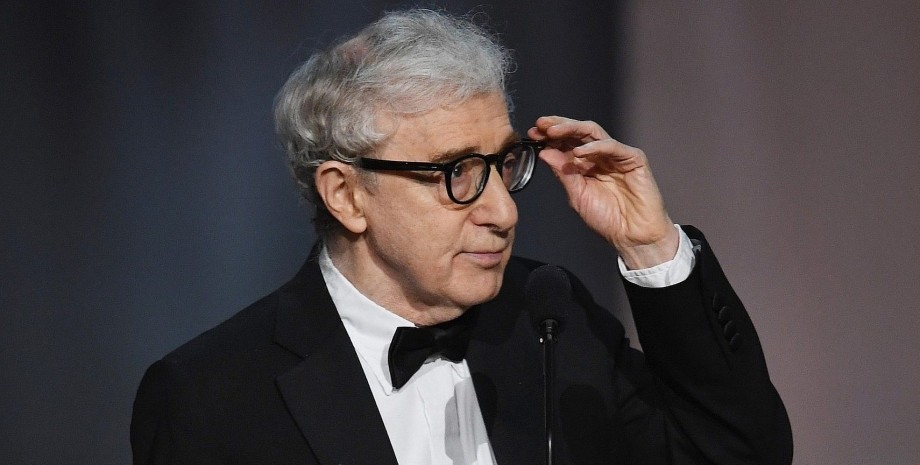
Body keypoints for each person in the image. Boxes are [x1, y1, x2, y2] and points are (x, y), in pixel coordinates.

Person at [131, 9, 792, 465]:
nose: (503, 210)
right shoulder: (209, 396)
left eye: (503, 164)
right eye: (457, 172)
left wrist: (650, 246)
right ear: (347, 195)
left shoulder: (550, 319)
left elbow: (739, 454)